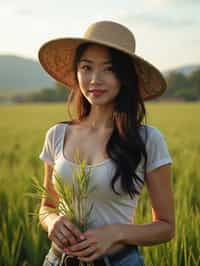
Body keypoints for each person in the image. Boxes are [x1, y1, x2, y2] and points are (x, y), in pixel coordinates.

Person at [38, 21, 175, 266]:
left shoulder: (147, 140)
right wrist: (52, 222)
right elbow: (47, 206)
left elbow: (165, 227)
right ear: (77, 72)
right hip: (56, 261)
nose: (94, 79)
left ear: (124, 77)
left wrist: (115, 233)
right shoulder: (57, 135)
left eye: (109, 69)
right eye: (86, 67)